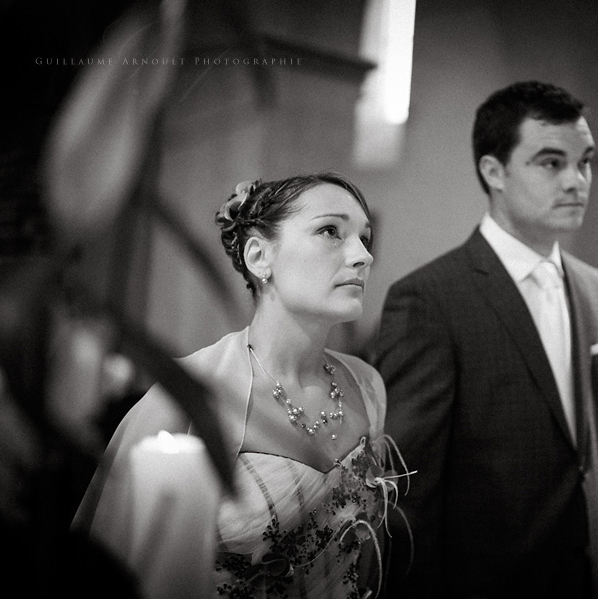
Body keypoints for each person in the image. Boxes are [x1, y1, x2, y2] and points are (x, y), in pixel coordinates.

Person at [73, 173, 407, 598]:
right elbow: (107, 565)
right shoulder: (189, 396)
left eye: (365, 238)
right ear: (259, 257)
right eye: (330, 231)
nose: (363, 256)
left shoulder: (367, 384)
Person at [374, 81, 598, 598]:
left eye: (584, 162)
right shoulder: (429, 300)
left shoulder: (594, 289)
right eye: (551, 162)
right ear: (494, 172)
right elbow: (408, 492)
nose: (577, 181)